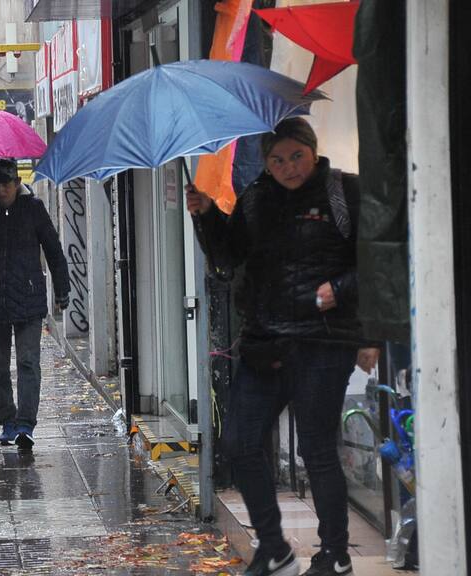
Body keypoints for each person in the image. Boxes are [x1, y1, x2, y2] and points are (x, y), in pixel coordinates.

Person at [186, 117, 378, 576]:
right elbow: (227, 258)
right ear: (266, 163)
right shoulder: (255, 198)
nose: (288, 167)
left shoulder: (343, 194)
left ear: (313, 152)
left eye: (297, 156)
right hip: (264, 341)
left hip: (322, 340)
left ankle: (335, 555)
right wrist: (207, 217)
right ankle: (273, 549)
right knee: (239, 441)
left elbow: (376, 258)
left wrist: (341, 290)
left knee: (316, 447)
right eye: (277, 159)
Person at [0, 159, 70, 450]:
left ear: (16, 182)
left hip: (28, 299)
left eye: (5, 185)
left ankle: (26, 424)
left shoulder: (33, 208)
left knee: (28, 362)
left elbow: (54, 249)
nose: (0, 190)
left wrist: (62, 289)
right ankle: (7, 419)